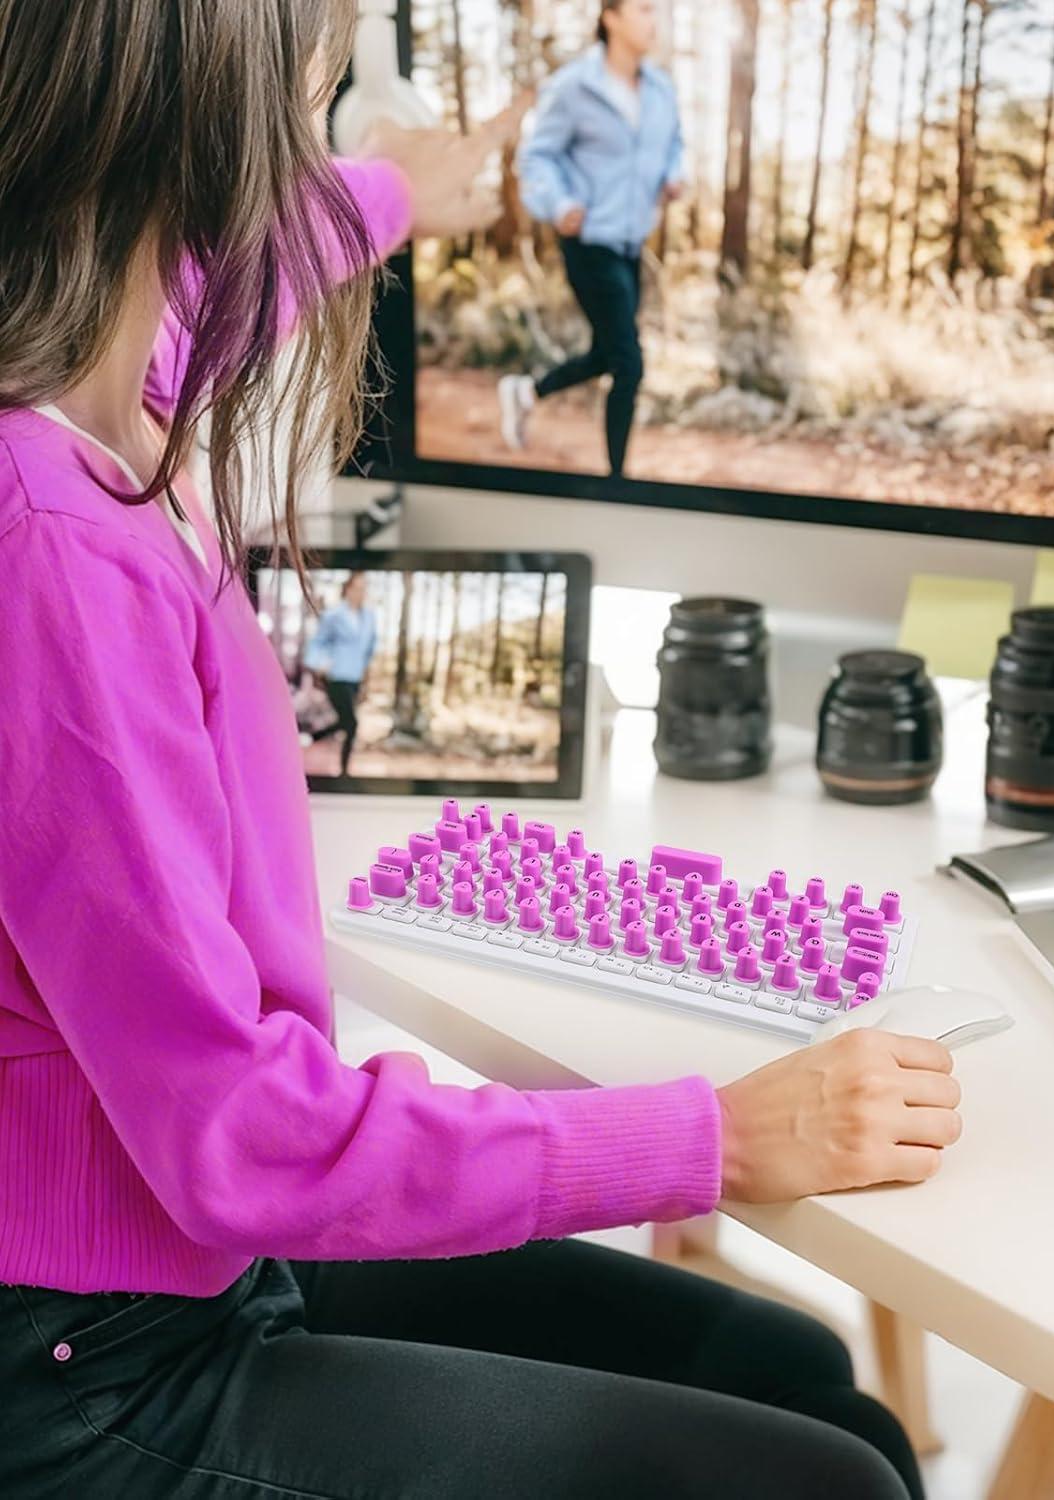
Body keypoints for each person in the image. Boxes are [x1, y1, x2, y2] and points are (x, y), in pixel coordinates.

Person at [0, 6, 961, 1497]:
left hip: (190, 1258)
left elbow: (217, 288)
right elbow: (240, 1135)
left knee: (804, 1383)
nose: (320, 91)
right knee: (829, 1483)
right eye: (311, 66)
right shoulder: (52, 543)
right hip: (94, 1365)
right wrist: (714, 1137)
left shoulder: (99, 373)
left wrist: (394, 190)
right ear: (214, 104)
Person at [501, 0, 683, 479]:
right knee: (628, 362)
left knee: (608, 352)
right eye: (643, 9)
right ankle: (618, 481)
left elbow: (675, 147)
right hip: (586, 240)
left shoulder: (661, 89)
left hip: (629, 243)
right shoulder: (575, 87)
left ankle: (525, 392)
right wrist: (558, 205)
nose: (654, 20)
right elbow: (537, 158)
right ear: (611, 16)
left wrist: (675, 175)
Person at [306, 570, 378, 776]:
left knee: (346, 723)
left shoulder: (369, 618)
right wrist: (318, 664)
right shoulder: (334, 616)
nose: (361, 592)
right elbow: (318, 643)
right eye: (357, 587)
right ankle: (344, 771)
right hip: (336, 675)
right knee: (351, 723)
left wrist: (366, 672)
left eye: (364, 588)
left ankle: (315, 736)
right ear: (347, 589)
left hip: (355, 676)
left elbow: (370, 647)